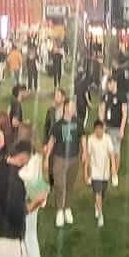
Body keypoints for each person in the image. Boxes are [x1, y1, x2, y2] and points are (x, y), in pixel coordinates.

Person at [44, 98, 82, 228]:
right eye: (71, 107)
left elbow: (83, 139)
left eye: (74, 107)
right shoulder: (58, 125)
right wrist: (46, 157)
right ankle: (59, 210)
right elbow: (51, 141)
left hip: (74, 158)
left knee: (70, 185)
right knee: (60, 185)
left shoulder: (78, 123)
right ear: (65, 108)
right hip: (60, 158)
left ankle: (67, 208)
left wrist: (86, 154)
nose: (73, 109)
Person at [83, 118, 115, 228]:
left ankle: (97, 206)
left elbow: (111, 155)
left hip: (105, 172)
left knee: (103, 194)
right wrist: (86, 172)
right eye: (96, 130)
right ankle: (101, 215)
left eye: (100, 129)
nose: (98, 132)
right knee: (98, 193)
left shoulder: (108, 139)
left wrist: (113, 170)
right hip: (95, 172)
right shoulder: (91, 139)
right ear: (94, 130)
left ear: (103, 129)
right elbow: (88, 156)